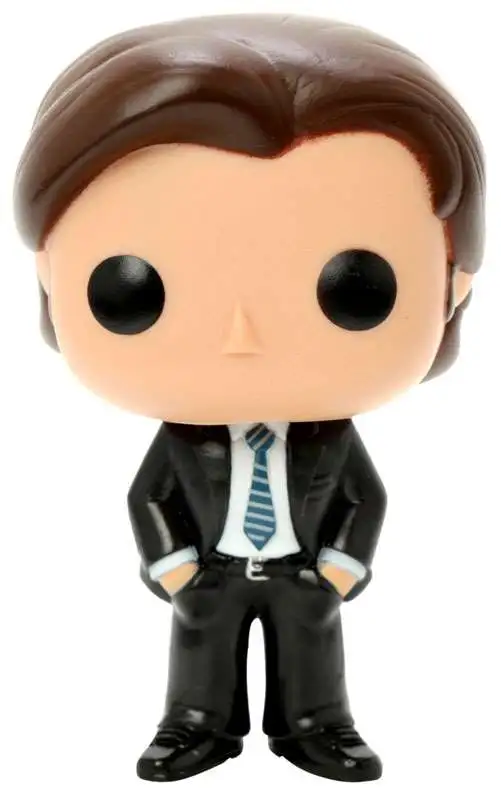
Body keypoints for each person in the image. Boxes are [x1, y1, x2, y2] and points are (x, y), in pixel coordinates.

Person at [13, 13, 485, 783]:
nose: (241, 334)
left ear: (453, 284)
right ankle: (195, 724)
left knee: (313, 653)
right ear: (49, 277)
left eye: (353, 289)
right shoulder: (184, 438)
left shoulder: (328, 440)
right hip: (209, 575)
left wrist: (336, 572)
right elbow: (148, 496)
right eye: (133, 290)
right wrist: (175, 571)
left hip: (304, 576)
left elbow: (364, 497)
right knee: (198, 653)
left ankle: (316, 724)